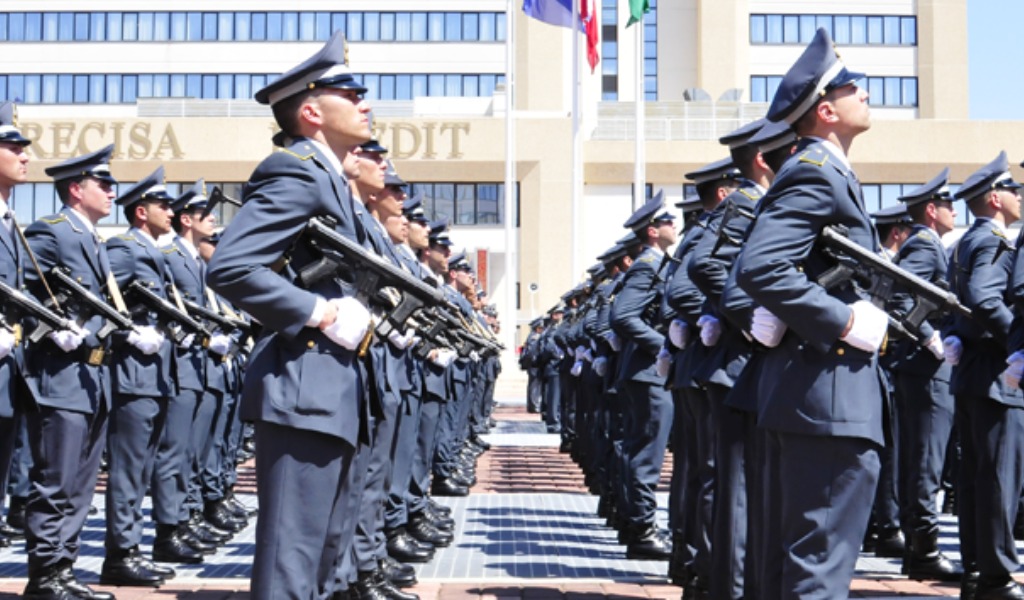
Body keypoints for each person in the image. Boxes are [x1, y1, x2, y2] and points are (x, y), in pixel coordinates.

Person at [206, 30, 375, 600]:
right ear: (311, 110)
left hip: (332, 390)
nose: (366, 103)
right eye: (352, 94)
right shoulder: (297, 170)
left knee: (324, 558)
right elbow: (230, 267)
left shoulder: (329, 177)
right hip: (305, 389)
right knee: (291, 563)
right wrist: (319, 312)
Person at [735, 27, 889, 599]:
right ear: (826, 110)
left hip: (813, 397)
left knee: (794, 568)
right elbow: (761, 266)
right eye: (854, 86)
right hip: (826, 400)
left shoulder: (828, 173)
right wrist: (842, 320)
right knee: (817, 571)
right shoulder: (814, 172)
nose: (865, 93)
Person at [19, 131, 120, 600]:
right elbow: (23, 293)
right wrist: (51, 327)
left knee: (81, 482)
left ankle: (64, 568)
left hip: (93, 374)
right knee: (57, 478)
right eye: (104, 182)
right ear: (77, 188)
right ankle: (45, 575)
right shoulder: (52, 230)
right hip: (59, 375)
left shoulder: (93, 239)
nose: (112, 190)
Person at [103, 166, 183, 586]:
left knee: (144, 466)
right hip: (132, 375)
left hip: (155, 375)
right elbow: (100, 303)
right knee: (129, 469)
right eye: (162, 204)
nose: (169, 211)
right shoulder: (125, 249)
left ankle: (132, 547)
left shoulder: (151, 249)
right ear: (140, 212)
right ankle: (120, 554)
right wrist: (129, 332)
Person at [949, 151, 1024, 600]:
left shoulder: (964, 242)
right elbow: (983, 296)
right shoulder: (995, 241)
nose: (1019, 197)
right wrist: (1014, 339)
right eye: (1013, 190)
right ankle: (996, 577)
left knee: (978, 478)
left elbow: (957, 299)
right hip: (996, 376)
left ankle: (977, 573)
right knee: (999, 480)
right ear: (995, 199)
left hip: (972, 375)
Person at [889, 169, 961, 582]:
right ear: (932, 211)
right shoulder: (925, 246)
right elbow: (899, 296)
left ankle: (919, 547)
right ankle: (924, 550)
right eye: (948, 205)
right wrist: (930, 335)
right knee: (925, 462)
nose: (955, 212)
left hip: (922, 368)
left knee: (922, 459)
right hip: (924, 367)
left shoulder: (927, 244)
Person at [609, 192, 677, 560]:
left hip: (646, 372)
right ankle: (643, 531)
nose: (674, 226)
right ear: (652, 231)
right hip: (648, 372)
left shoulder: (656, 263)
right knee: (647, 455)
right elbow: (622, 316)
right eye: (667, 222)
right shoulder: (647, 265)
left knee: (640, 450)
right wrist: (662, 344)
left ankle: (636, 523)